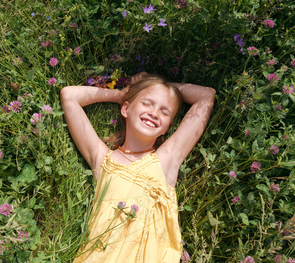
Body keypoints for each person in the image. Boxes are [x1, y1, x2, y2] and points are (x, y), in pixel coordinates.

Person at [60, 72, 216, 262]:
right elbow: (69, 96)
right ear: (126, 110)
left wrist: (163, 86)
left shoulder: (166, 159)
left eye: (164, 111)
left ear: (167, 127)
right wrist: (121, 94)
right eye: (147, 103)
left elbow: (206, 96)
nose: (154, 112)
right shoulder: (103, 161)